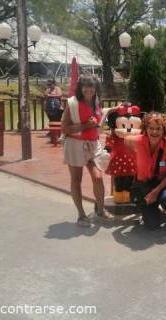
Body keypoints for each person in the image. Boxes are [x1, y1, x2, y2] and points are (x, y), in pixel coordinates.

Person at [61, 76, 113, 227]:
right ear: (80, 88)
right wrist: (85, 125)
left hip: (93, 145)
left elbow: (96, 122)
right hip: (75, 145)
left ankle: (101, 210)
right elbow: (64, 128)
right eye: (85, 86)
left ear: (96, 88)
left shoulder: (97, 101)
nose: (88, 89)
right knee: (76, 180)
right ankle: (81, 215)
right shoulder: (73, 104)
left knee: (97, 177)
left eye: (91, 86)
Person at [123, 112, 166, 230]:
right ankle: (158, 212)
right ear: (146, 129)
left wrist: (155, 192)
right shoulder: (138, 141)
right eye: (151, 128)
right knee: (151, 225)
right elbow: (126, 140)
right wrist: (135, 156)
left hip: (165, 182)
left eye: (158, 129)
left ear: (163, 130)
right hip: (147, 183)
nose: (154, 132)